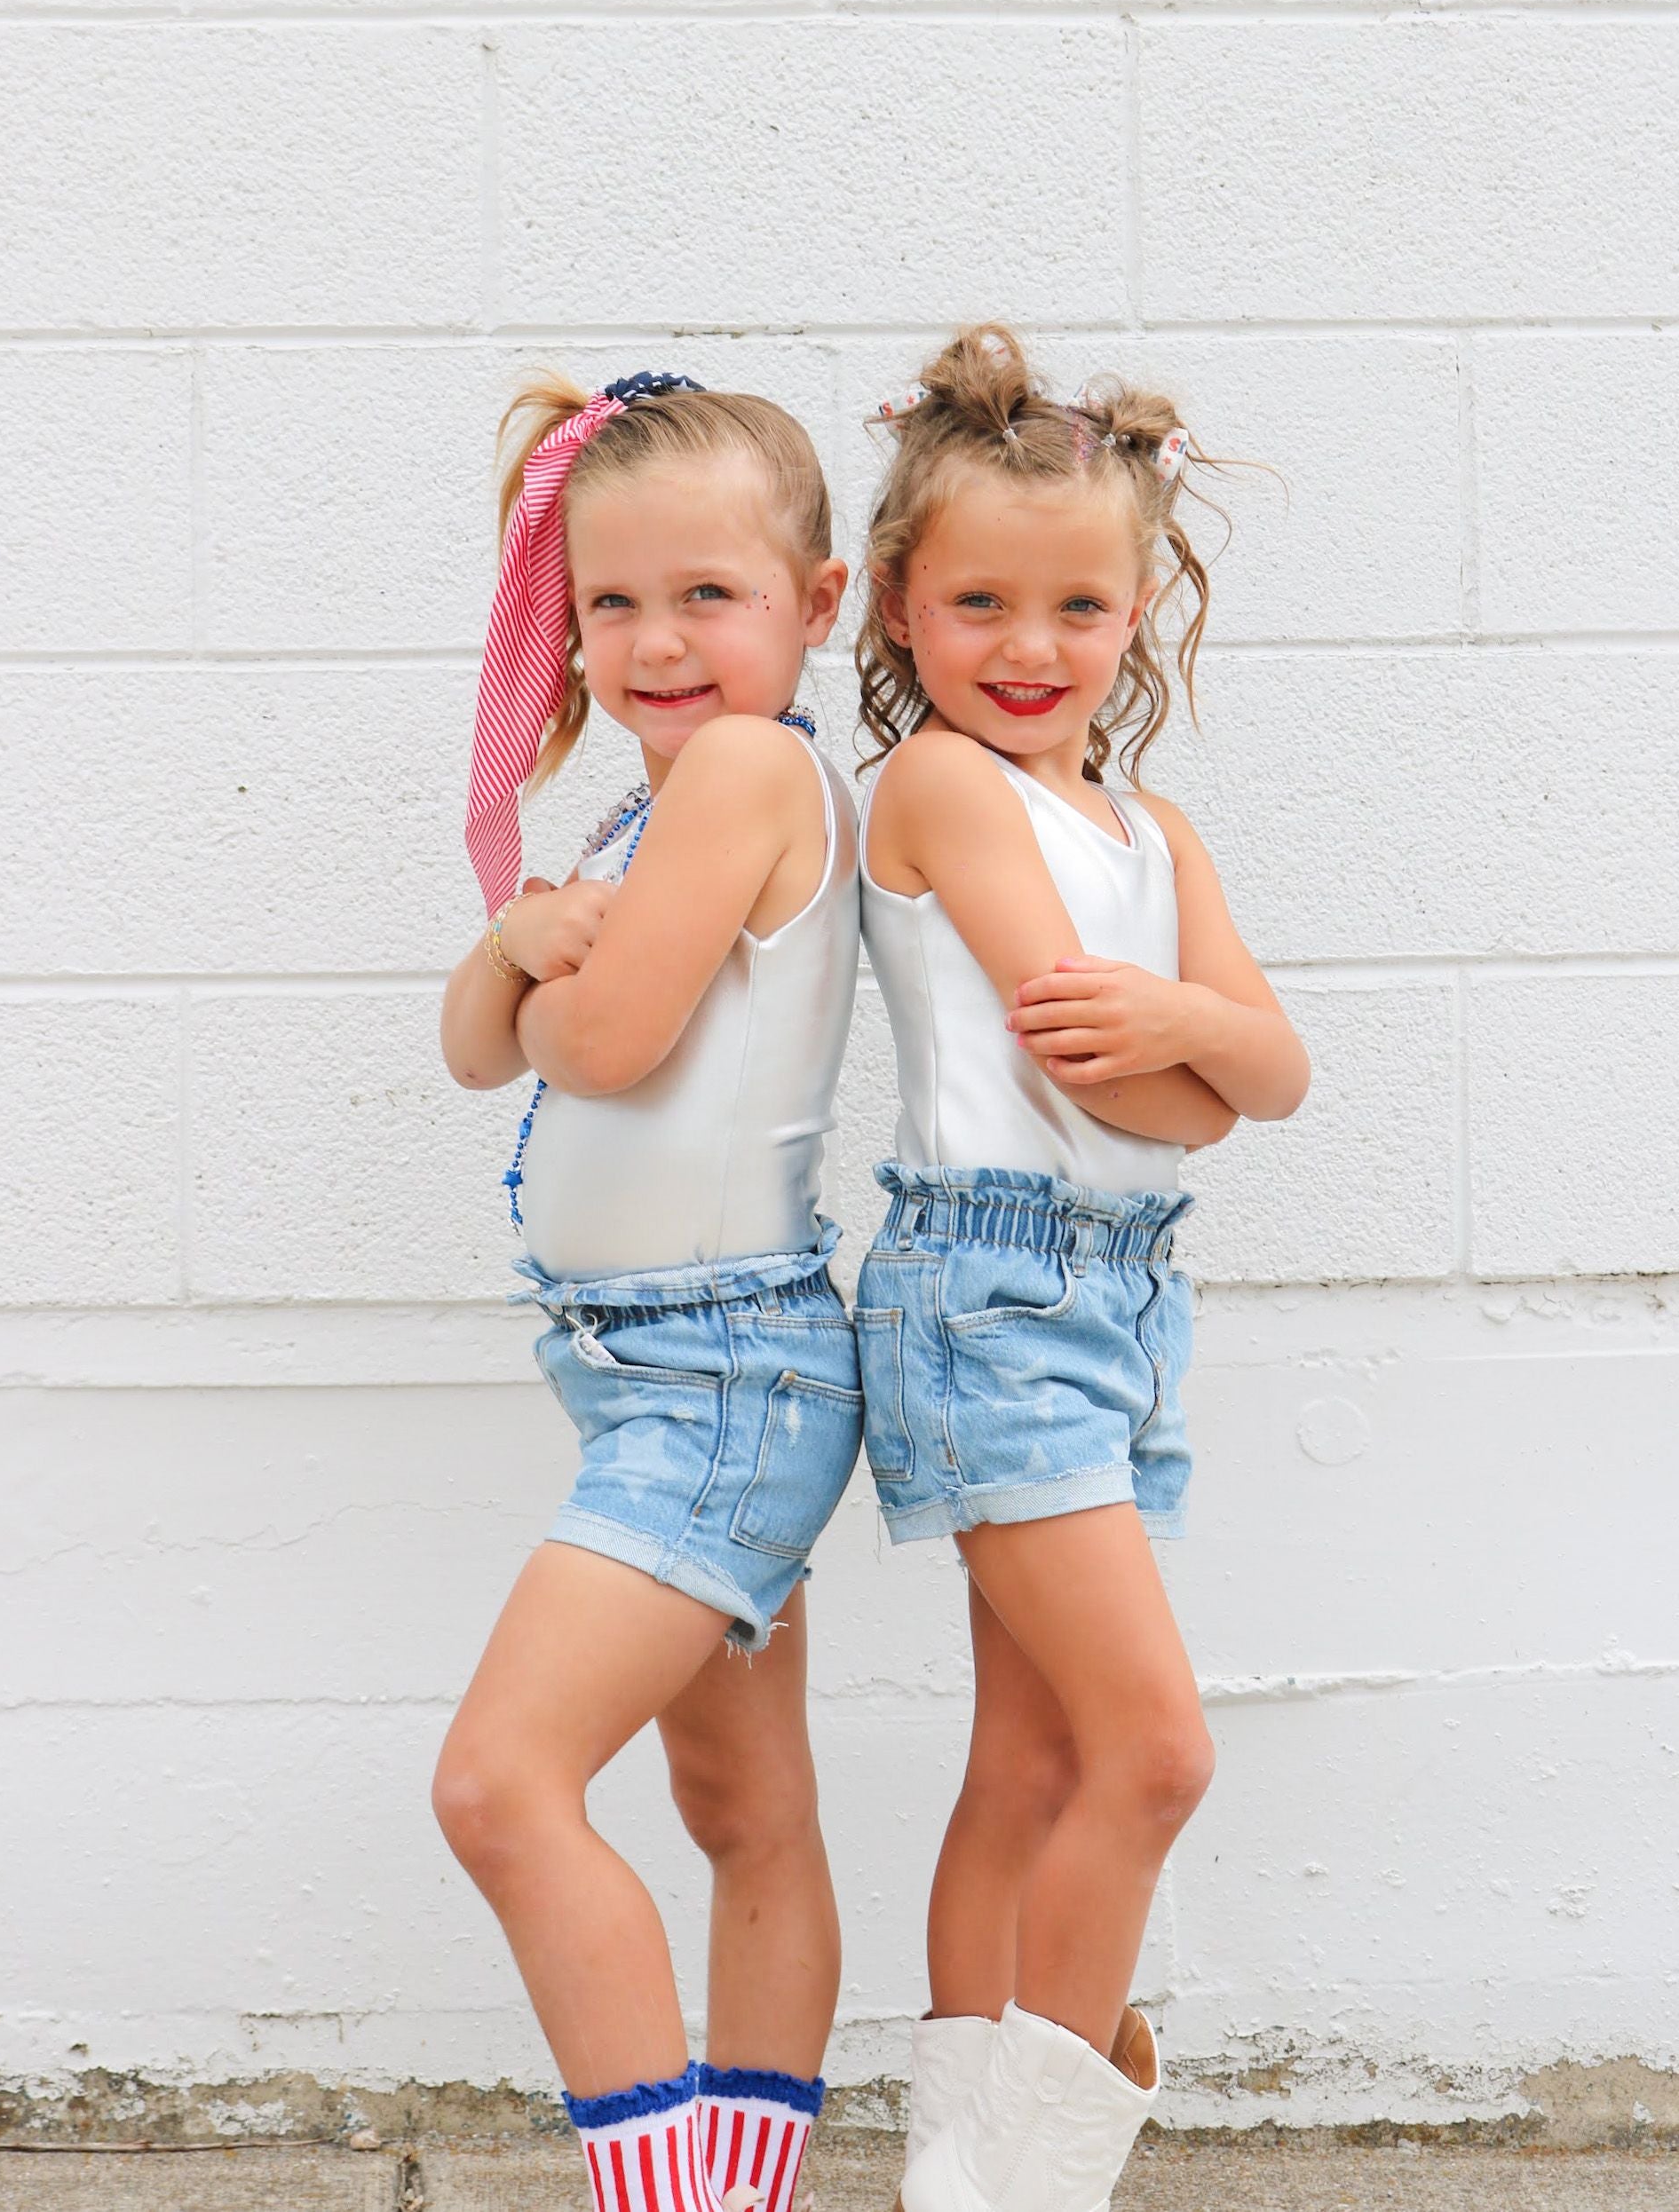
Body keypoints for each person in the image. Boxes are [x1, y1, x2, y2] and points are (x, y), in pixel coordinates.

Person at [852, 329, 1310, 2211]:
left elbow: (1263, 1078)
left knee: (1037, 1761)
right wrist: (1188, 1050)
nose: (1029, 646)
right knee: (1156, 1750)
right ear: (899, 604)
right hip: (992, 1294)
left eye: (1078, 606)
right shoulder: (949, 789)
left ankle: (962, 2172)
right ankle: (1028, 2186)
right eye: (979, 602)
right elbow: (1106, 1064)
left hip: (1124, 1304)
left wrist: (1188, 1027)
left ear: (1140, 614)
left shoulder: (1153, 830)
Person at [434, 369, 862, 2212]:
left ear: (819, 604)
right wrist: (515, 943)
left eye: (711, 594)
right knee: (742, 1813)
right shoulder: (641, 812)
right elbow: (475, 1047)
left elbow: (590, 1046)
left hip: (724, 1376)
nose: (657, 640)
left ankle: (663, 2203)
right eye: (613, 603)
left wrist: (529, 973)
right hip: (661, 1373)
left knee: (499, 1787)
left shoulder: (757, 773)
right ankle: (743, 2190)